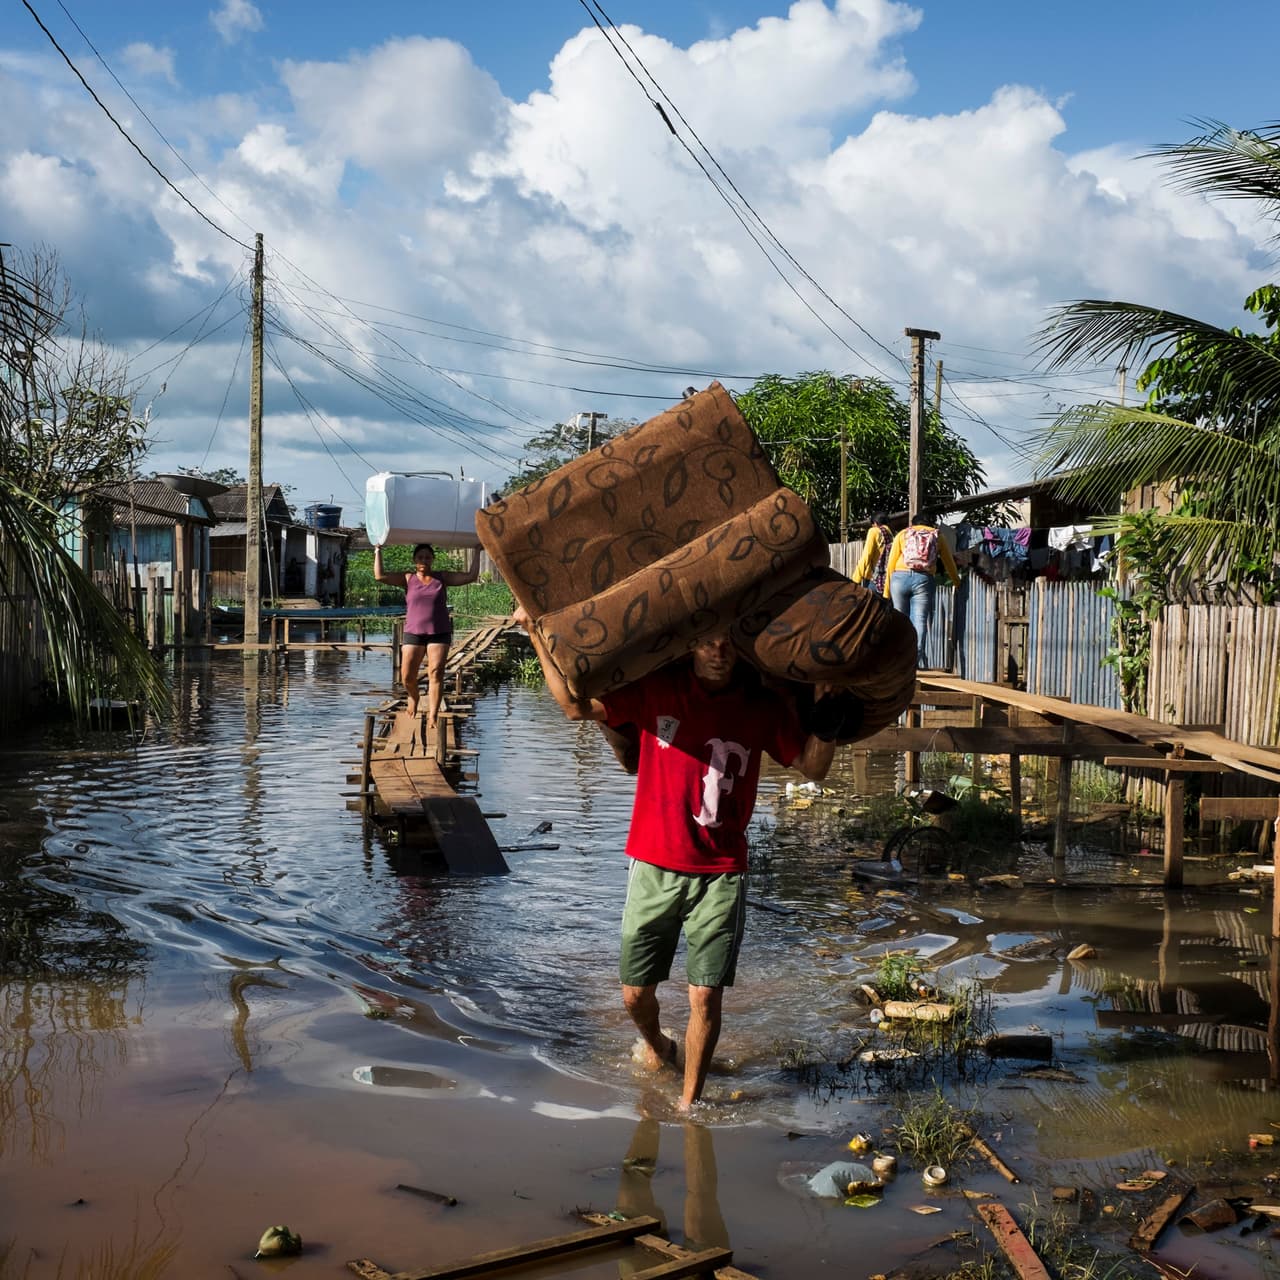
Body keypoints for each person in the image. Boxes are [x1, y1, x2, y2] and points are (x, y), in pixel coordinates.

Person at [515, 613, 836, 1109]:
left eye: (728, 641)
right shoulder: (657, 690)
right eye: (707, 640)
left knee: (705, 996)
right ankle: (659, 1045)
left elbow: (813, 766)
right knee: (633, 996)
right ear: (689, 646)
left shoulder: (760, 705)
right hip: (654, 863)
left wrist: (832, 710)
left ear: (742, 650)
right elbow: (573, 706)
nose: (718, 650)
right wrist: (535, 632)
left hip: (722, 869)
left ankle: (690, 1104)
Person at [374, 542, 480, 726]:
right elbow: (380, 576)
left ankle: (433, 715)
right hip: (413, 632)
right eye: (420, 557)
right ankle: (413, 696)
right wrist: (378, 550)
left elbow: (471, 576)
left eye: (428, 557)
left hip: (439, 632)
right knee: (406, 676)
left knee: (436, 673)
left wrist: (477, 551)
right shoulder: (408, 578)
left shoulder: (442, 578)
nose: (424, 560)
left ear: (433, 559)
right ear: (415, 560)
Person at [883, 515, 959, 667]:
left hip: (900, 577)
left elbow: (891, 563)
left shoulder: (903, 534)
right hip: (924, 579)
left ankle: (896, 660)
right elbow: (948, 561)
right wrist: (956, 581)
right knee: (920, 620)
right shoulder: (937, 535)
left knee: (899, 620)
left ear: (913, 524)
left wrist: (886, 591)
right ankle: (913, 661)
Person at [852, 511, 893, 595]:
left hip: (874, 579)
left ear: (875, 523)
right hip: (888, 580)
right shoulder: (890, 534)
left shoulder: (874, 531)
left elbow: (867, 556)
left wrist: (856, 579)